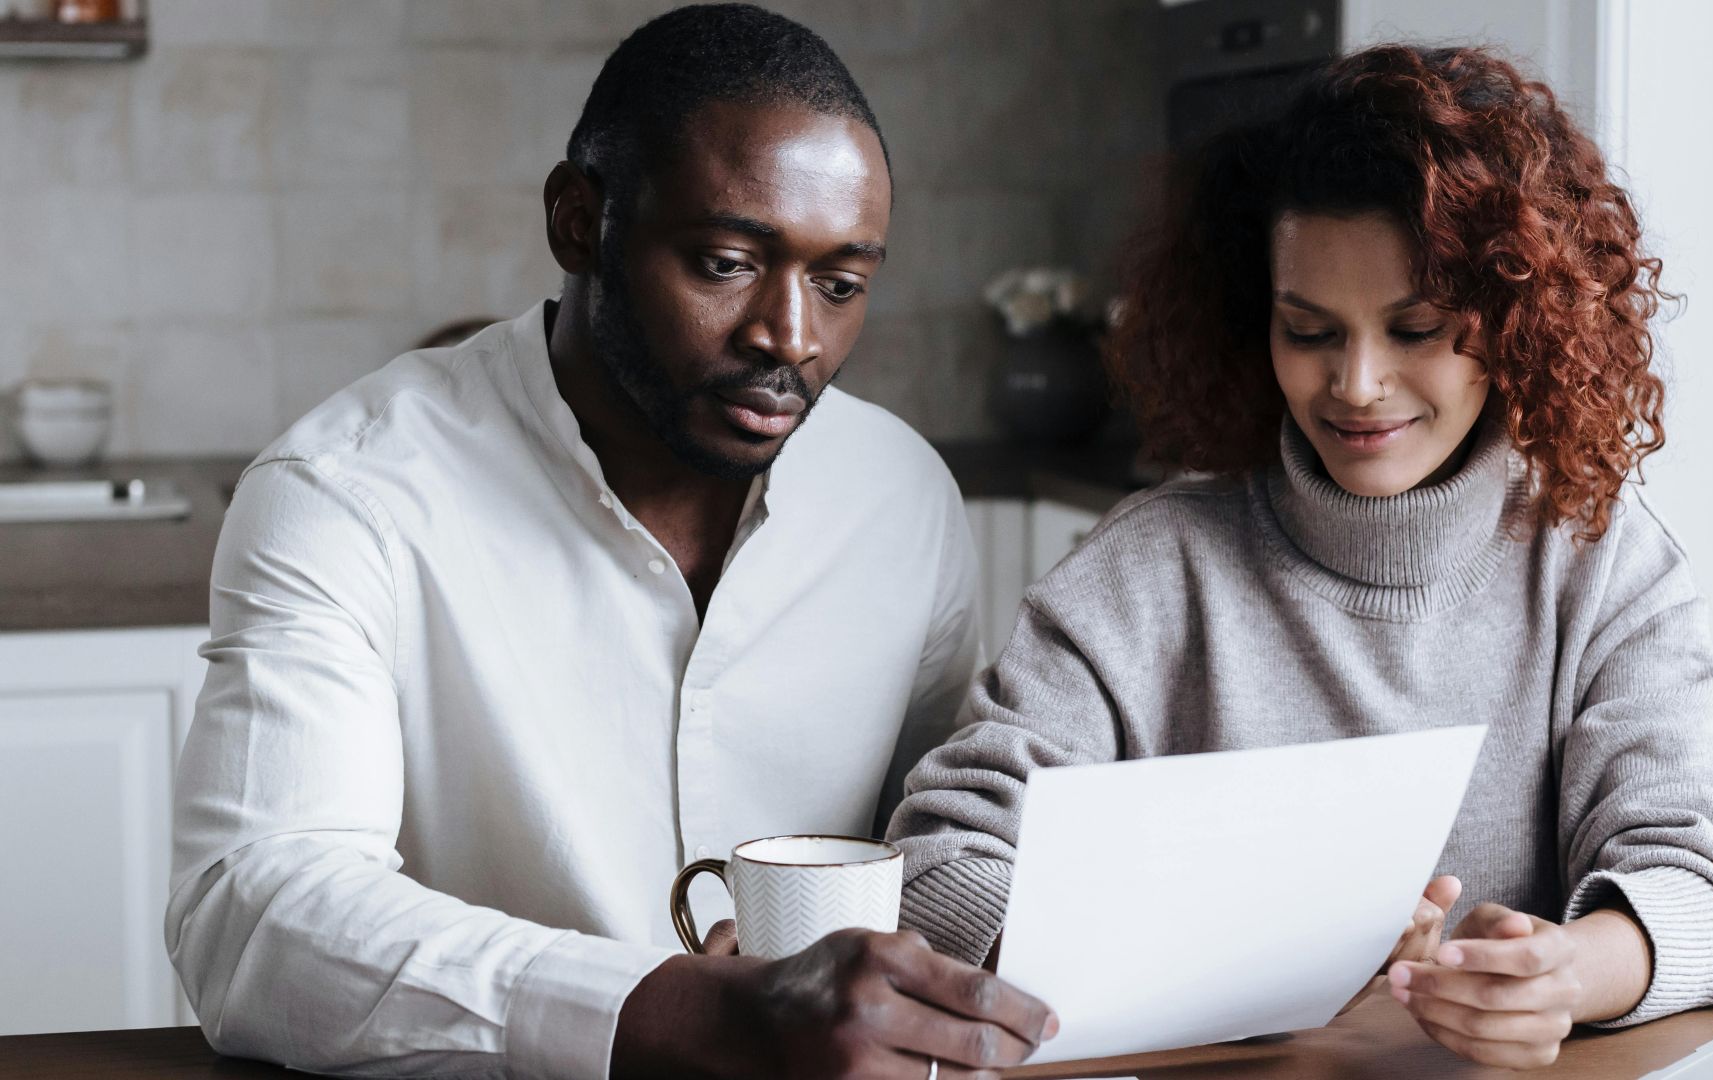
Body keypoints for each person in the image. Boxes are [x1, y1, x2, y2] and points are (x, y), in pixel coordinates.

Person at [167, 6, 1057, 1078]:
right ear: (578, 221)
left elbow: (929, 853)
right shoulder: (346, 495)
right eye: (727, 263)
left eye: (840, 284)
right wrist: (687, 1013)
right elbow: (255, 916)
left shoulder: (901, 496)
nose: (792, 336)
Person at [888, 44, 1713, 1070]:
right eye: (1309, 330)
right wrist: (1240, 954)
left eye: (1417, 329)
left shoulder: (1604, 564)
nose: (1356, 384)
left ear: (1520, 319)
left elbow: (1707, 882)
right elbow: (936, 859)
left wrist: (1568, 973)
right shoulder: (1148, 572)